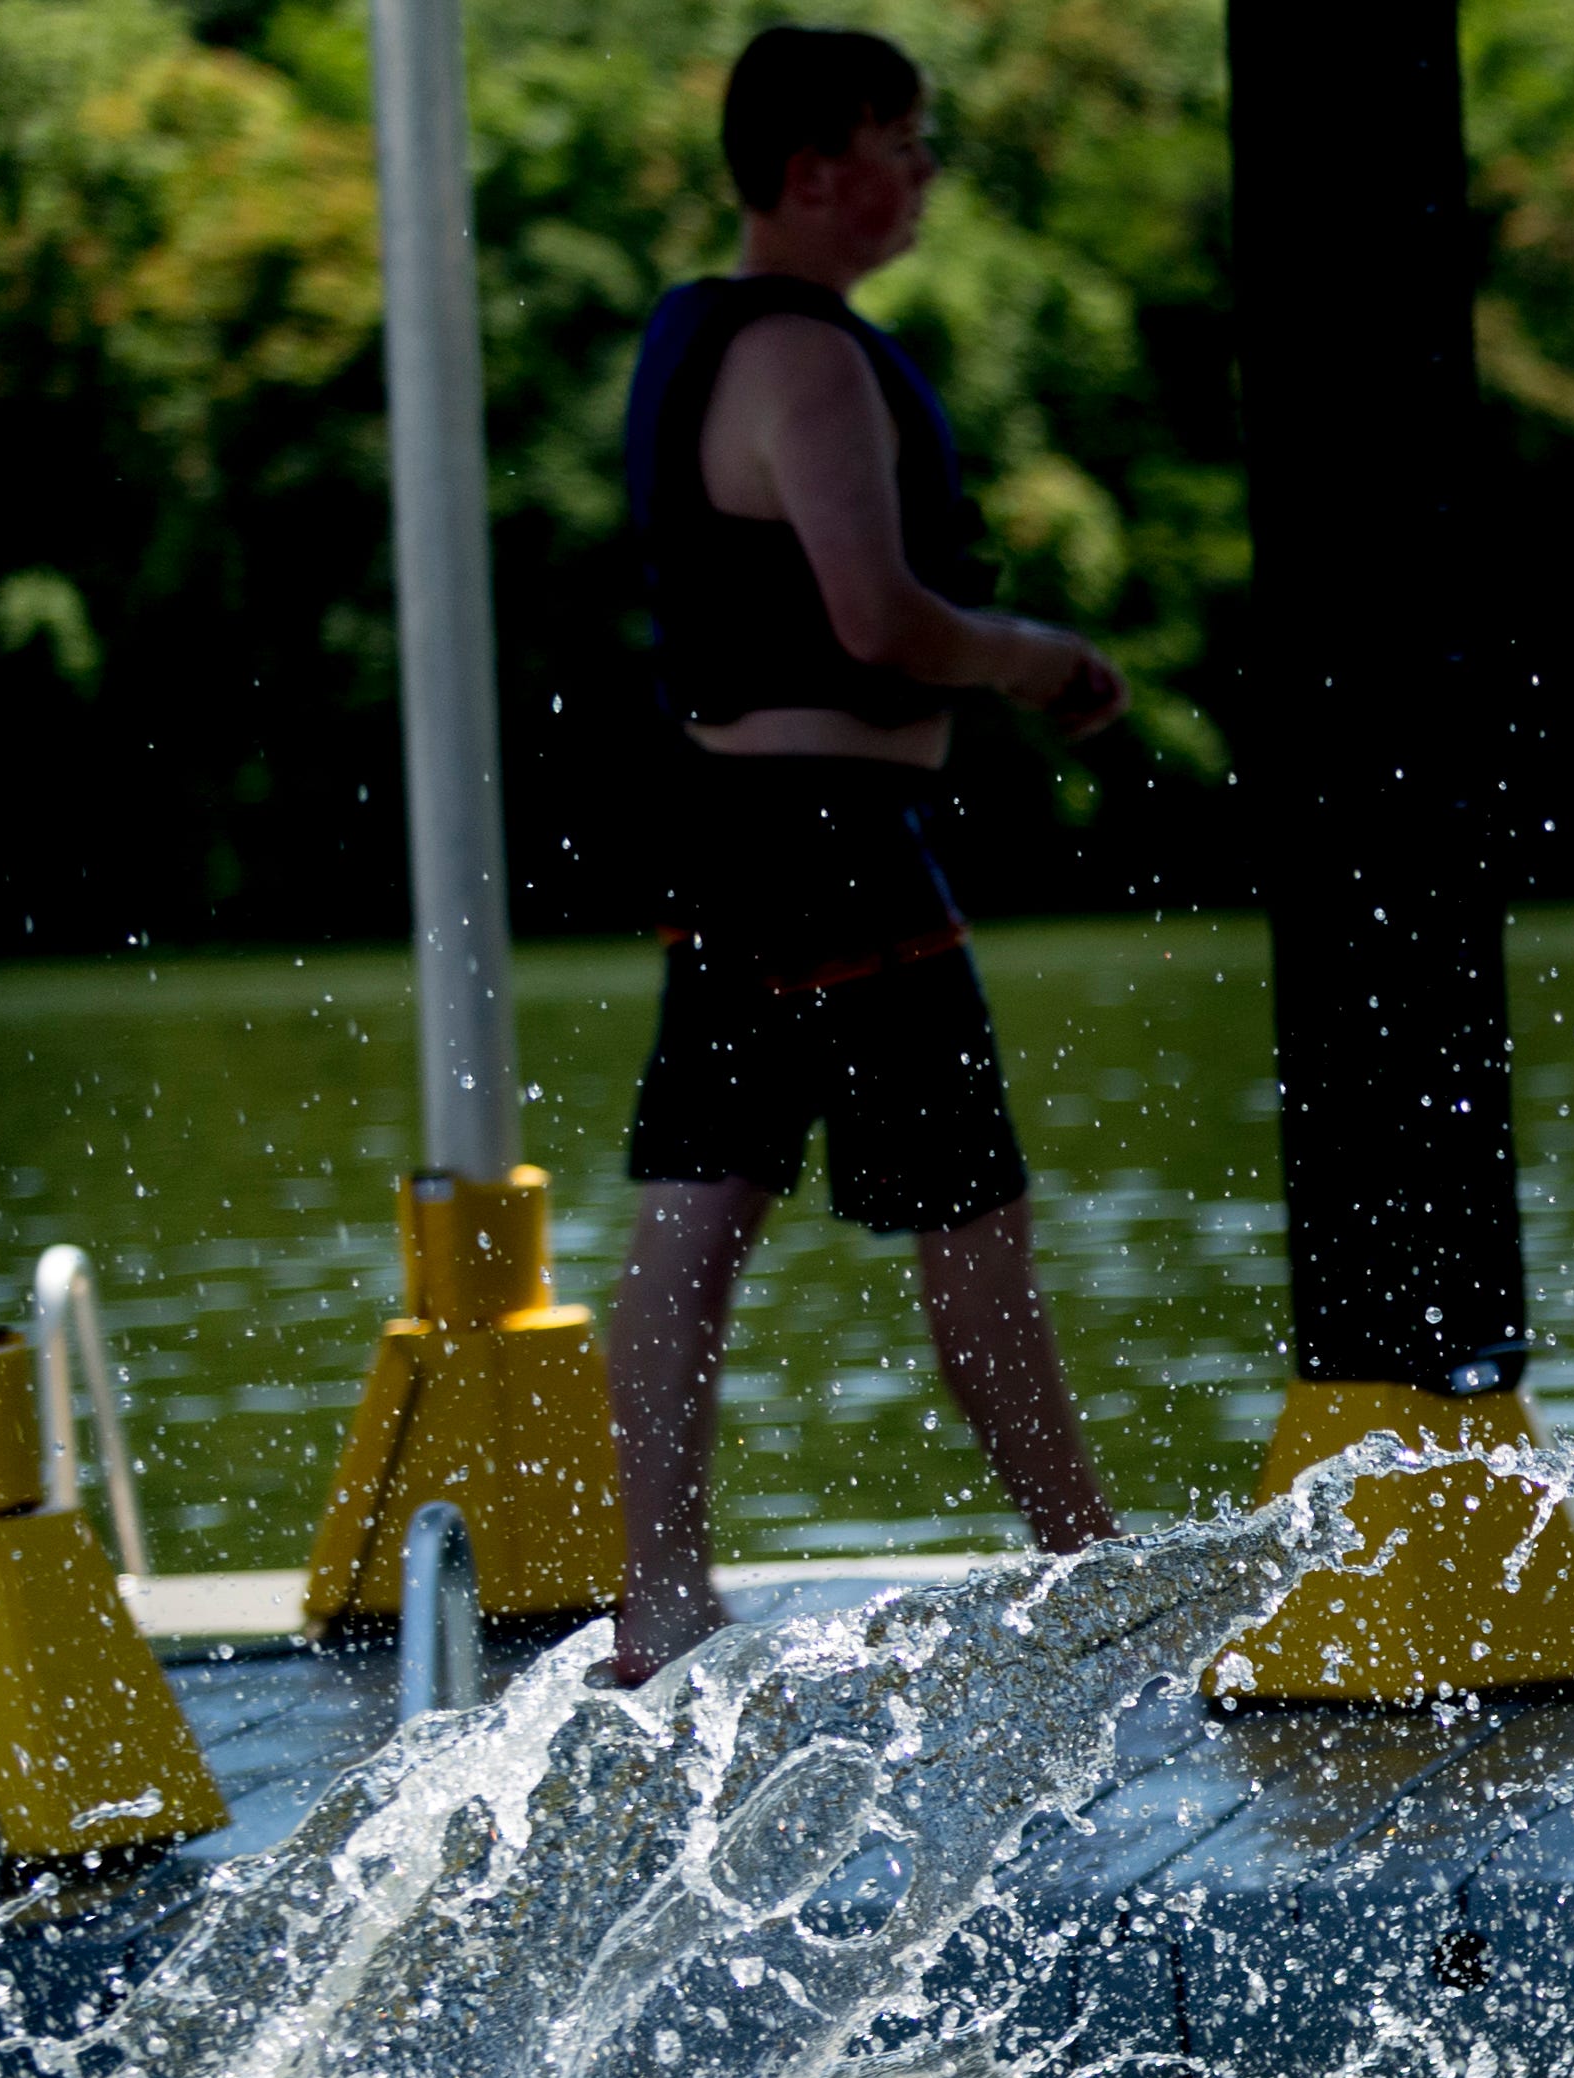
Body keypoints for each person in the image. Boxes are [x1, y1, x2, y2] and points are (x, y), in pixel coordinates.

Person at [604, 25, 1122, 1680]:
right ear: (815, 170)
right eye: (905, 141)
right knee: (974, 1222)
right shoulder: (810, 361)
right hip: (838, 842)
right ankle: (1087, 1567)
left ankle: (663, 1594)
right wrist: (1040, 661)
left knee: (696, 1211)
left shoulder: (694, 341)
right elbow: (879, 622)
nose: (925, 173)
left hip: (730, 834)